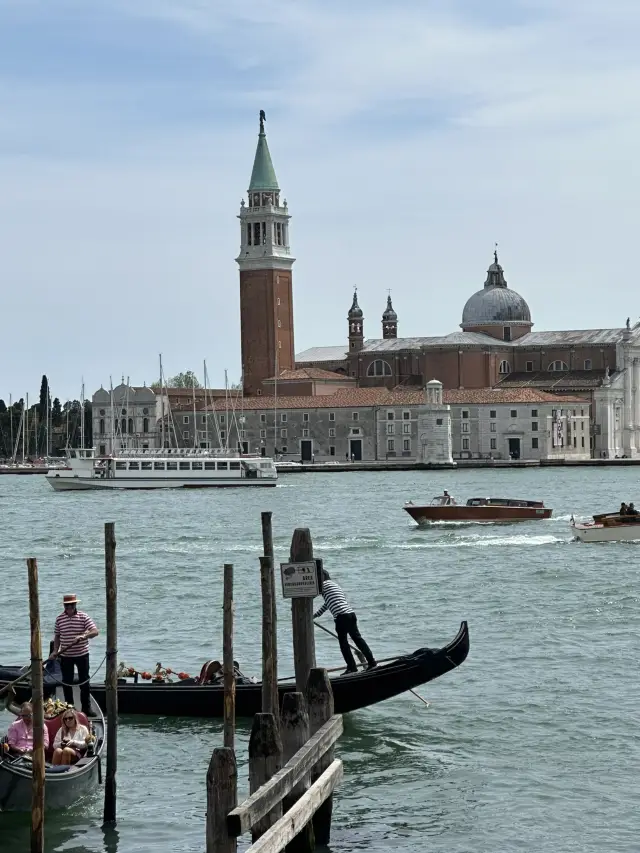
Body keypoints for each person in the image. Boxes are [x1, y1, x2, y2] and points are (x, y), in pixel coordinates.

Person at [313, 570, 376, 674]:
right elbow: (327, 604)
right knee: (358, 639)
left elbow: (310, 594)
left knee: (343, 643)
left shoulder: (323, 585)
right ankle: (372, 662)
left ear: (322, 577)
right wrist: (315, 615)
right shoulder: (334, 585)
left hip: (341, 617)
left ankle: (352, 667)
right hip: (351, 614)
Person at [51, 594, 99, 717]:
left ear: (75, 605)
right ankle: (69, 708)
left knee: (84, 681)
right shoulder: (59, 619)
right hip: (66, 655)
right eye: (67, 605)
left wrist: (83, 636)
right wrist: (55, 650)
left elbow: (95, 631)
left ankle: (86, 708)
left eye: (71, 605)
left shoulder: (83, 616)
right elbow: (57, 636)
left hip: (82, 654)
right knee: (67, 682)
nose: (69, 607)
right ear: (64, 606)